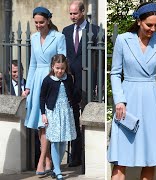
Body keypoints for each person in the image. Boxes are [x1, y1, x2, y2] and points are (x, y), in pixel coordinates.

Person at [107, 2, 156, 179]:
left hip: (152, 101)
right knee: (121, 157)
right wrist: (119, 100)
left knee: (149, 157)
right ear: (138, 21)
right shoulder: (122, 40)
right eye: (149, 25)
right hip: (127, 101)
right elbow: (115, 72)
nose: (153, 29)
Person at [22, 6, 66, 175]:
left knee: (48, 124)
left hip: (52, 81)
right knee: (41, 126)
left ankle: (41, 161)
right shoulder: (33, 38)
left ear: (48, 20)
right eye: (36, 23)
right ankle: (47, 161)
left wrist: (57, 82)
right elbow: (32, 64)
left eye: (41, 22)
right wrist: (28, 87)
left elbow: (62, 62)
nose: (39, 25)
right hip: (36, 82)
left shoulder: (59, 37)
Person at [62, 0, 99, 167]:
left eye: (75, 13)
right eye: (70, 13)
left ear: (83, 12)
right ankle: (75, 156)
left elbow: (98, 59)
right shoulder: (66, 31)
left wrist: (98, 83)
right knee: (72, 117)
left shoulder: (96, 31)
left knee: (86, 117)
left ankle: (87, 156)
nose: (72, 17)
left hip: (87, 80)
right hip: (70, 80)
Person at [40, 54, 77, 180]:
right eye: (57, 68)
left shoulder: (69, 79)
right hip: (53, 112)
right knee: (55, 141)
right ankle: (57, 169)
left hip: (66, 111)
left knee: (63, 141)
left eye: (62, 68)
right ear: (52, 67)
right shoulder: (47, 80)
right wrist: (43, 114)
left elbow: (71, 93)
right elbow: (42, 97)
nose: (60, 71)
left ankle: (56, 167)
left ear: (65, 67)